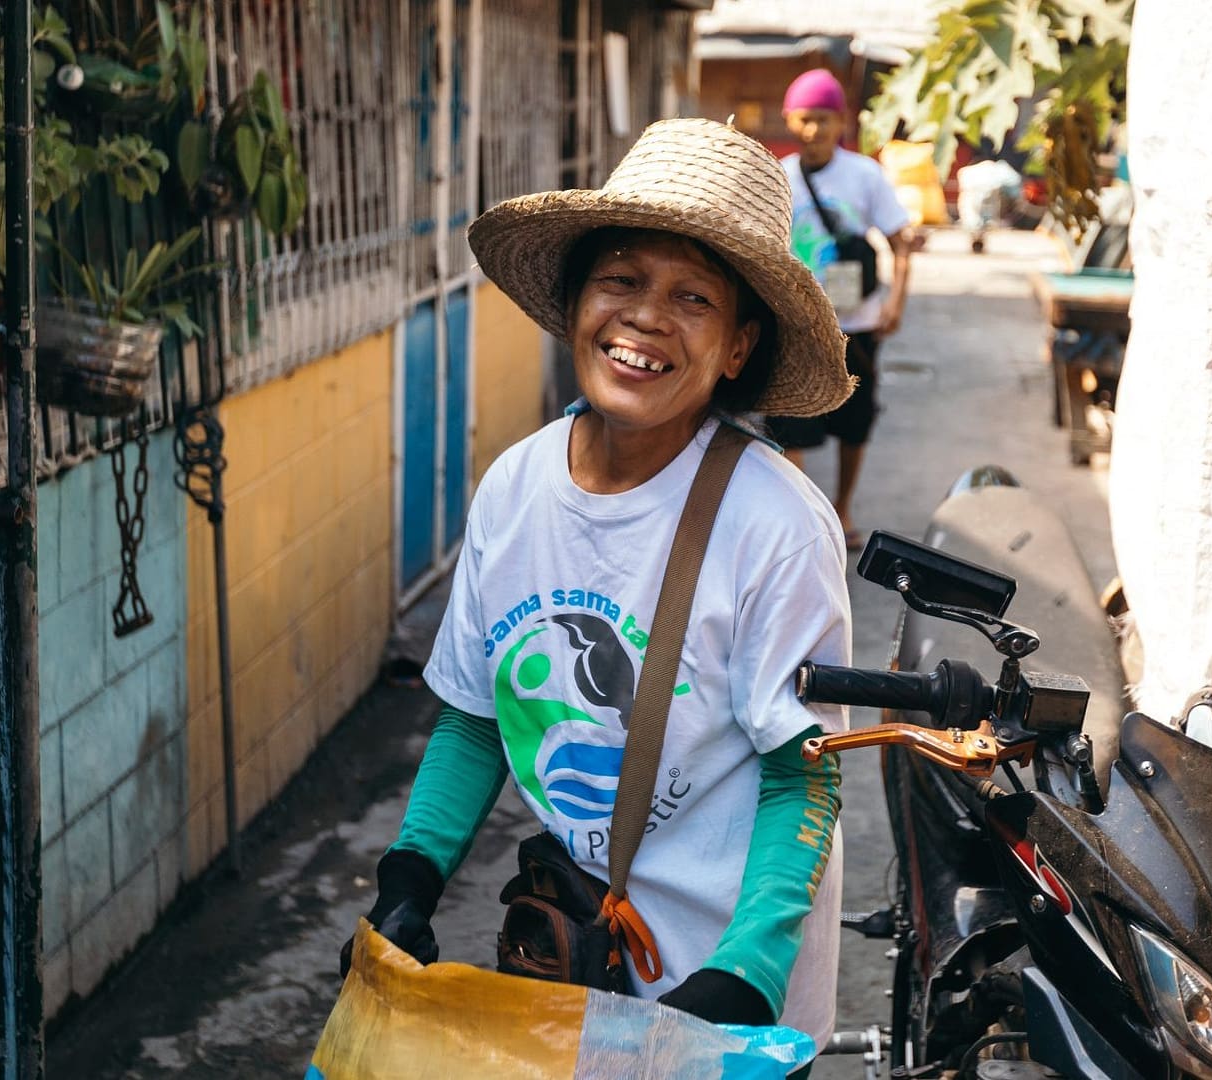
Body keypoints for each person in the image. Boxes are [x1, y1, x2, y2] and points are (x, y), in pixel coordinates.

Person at [340, 118, 854, 1052]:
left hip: (727, 979)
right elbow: (474, 716)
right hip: (571, 955)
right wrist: (407, 884)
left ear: (740, 347)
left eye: (693, 296)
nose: (646, 318)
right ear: (575, 300)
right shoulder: (514, 487)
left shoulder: (776, 526)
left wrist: (746, 973)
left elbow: (802, 778)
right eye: (620, 278)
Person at [768, 68, 916, 548]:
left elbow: (901, 242)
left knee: (855, 422)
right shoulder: (778, 178)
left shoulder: (864, 175)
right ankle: (807, 519)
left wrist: (895, 301)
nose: (815, 130)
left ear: (841, 123)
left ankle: (843, 508)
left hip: (858, 324)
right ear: (790, 120)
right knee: (791, 422)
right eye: (806, 119)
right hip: (797, 325)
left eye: (825, 119)